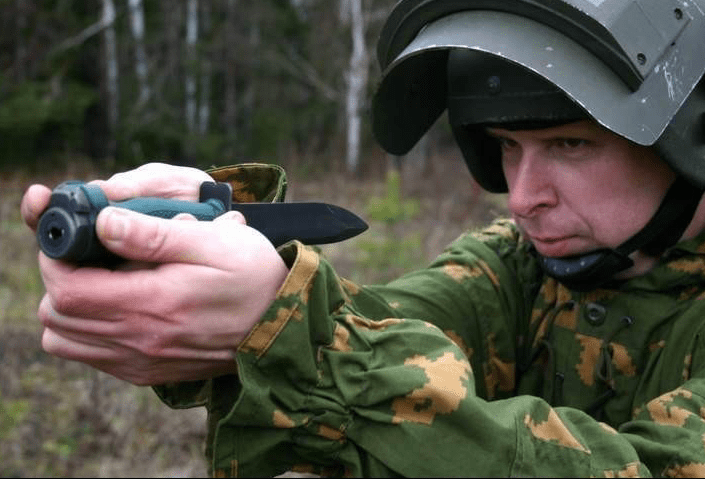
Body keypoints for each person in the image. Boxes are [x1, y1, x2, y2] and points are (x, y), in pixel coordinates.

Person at [20, 0, 705, 476]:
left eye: (568, 143)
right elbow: (372, 326)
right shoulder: (518, 270)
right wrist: (234, 280)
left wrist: (288, 334)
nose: (523, 196)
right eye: (504, 145)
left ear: (686, 143)